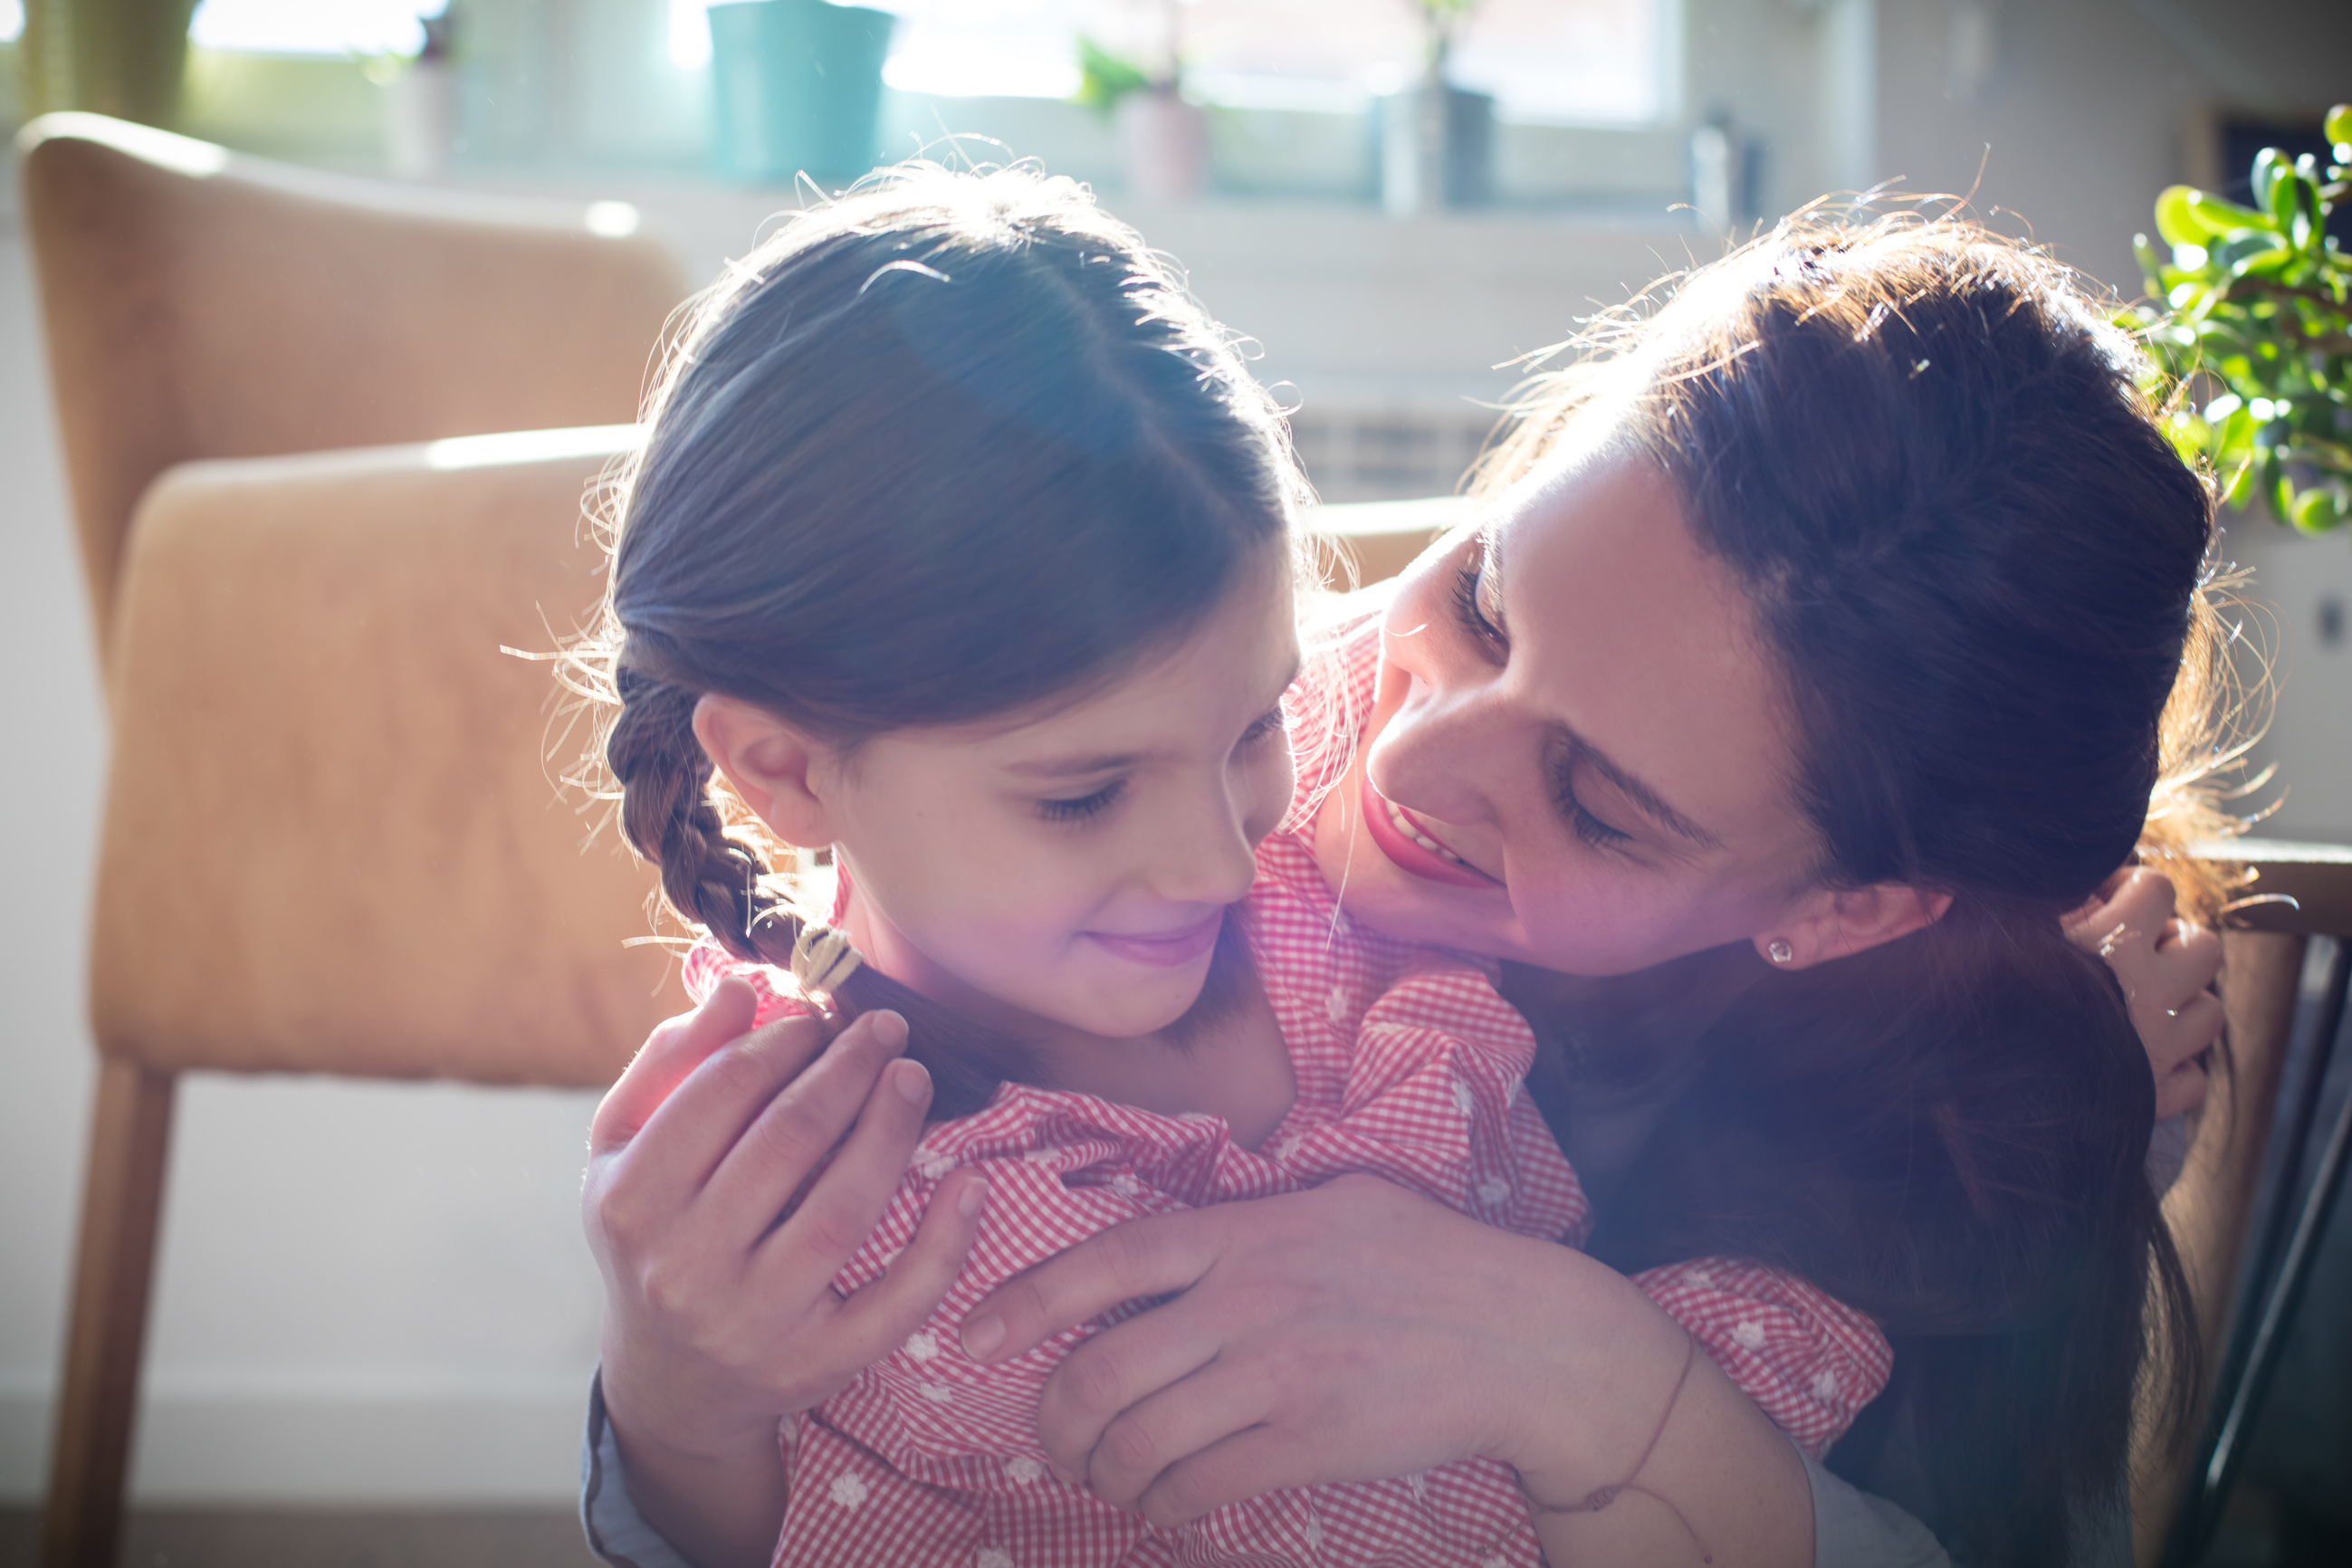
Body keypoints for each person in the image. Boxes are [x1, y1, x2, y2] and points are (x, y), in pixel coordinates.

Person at [580, 205, 2235, 1568]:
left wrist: (1583, 1375)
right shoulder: (1171, 710)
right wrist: (673, 1412)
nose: (1395, 767)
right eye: (1486, 603)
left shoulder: (1977, 1113)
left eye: (1597, 806)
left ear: (1845, 913)